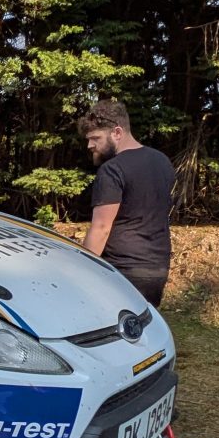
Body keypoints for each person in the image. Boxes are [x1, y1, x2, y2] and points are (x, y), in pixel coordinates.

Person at [79, 99, 174, 305]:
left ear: (117, 132)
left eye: (95, 138)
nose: (90, 145)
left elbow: (101, 228)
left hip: (122, 270)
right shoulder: (162, 161)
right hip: (157, 268)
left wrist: (82, 272)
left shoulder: (112, 169)